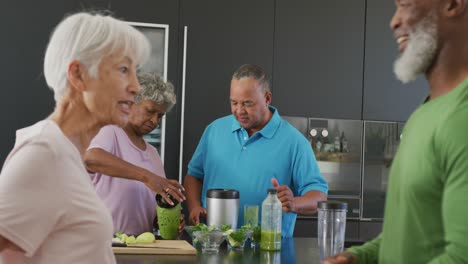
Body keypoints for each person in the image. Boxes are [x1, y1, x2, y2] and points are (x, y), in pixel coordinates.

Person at [0, 12, 151, 263]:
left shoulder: (67, 153)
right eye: (124, 69)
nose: (136, 86)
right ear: (78, 75)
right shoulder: (44, 153)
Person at [325, 0, 468, 263]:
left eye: (405, 4)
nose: (394, 21)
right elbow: (406, 234)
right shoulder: (423, 114)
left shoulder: (462, 118)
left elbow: (462, 256)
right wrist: (360, 257)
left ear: (452, 5)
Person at [184, 64, 328, 237]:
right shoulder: (214, 130)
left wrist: (294, 203)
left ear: (267, 98)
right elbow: (194, 176)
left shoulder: (295, 142)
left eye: (247, 103)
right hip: (214, 244)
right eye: (234, 102)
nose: (239, 111)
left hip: (267, 248)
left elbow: (319, 195)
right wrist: (194, 207)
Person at [84, 72, 185, 236]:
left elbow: (149, 213)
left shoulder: (153, 154)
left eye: (160, 116)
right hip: (102, 246)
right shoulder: (111, 131)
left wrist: (166, 218)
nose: (155, 121)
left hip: (139, 249)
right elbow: (91, 159)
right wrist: (148, 177)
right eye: (150, 111)